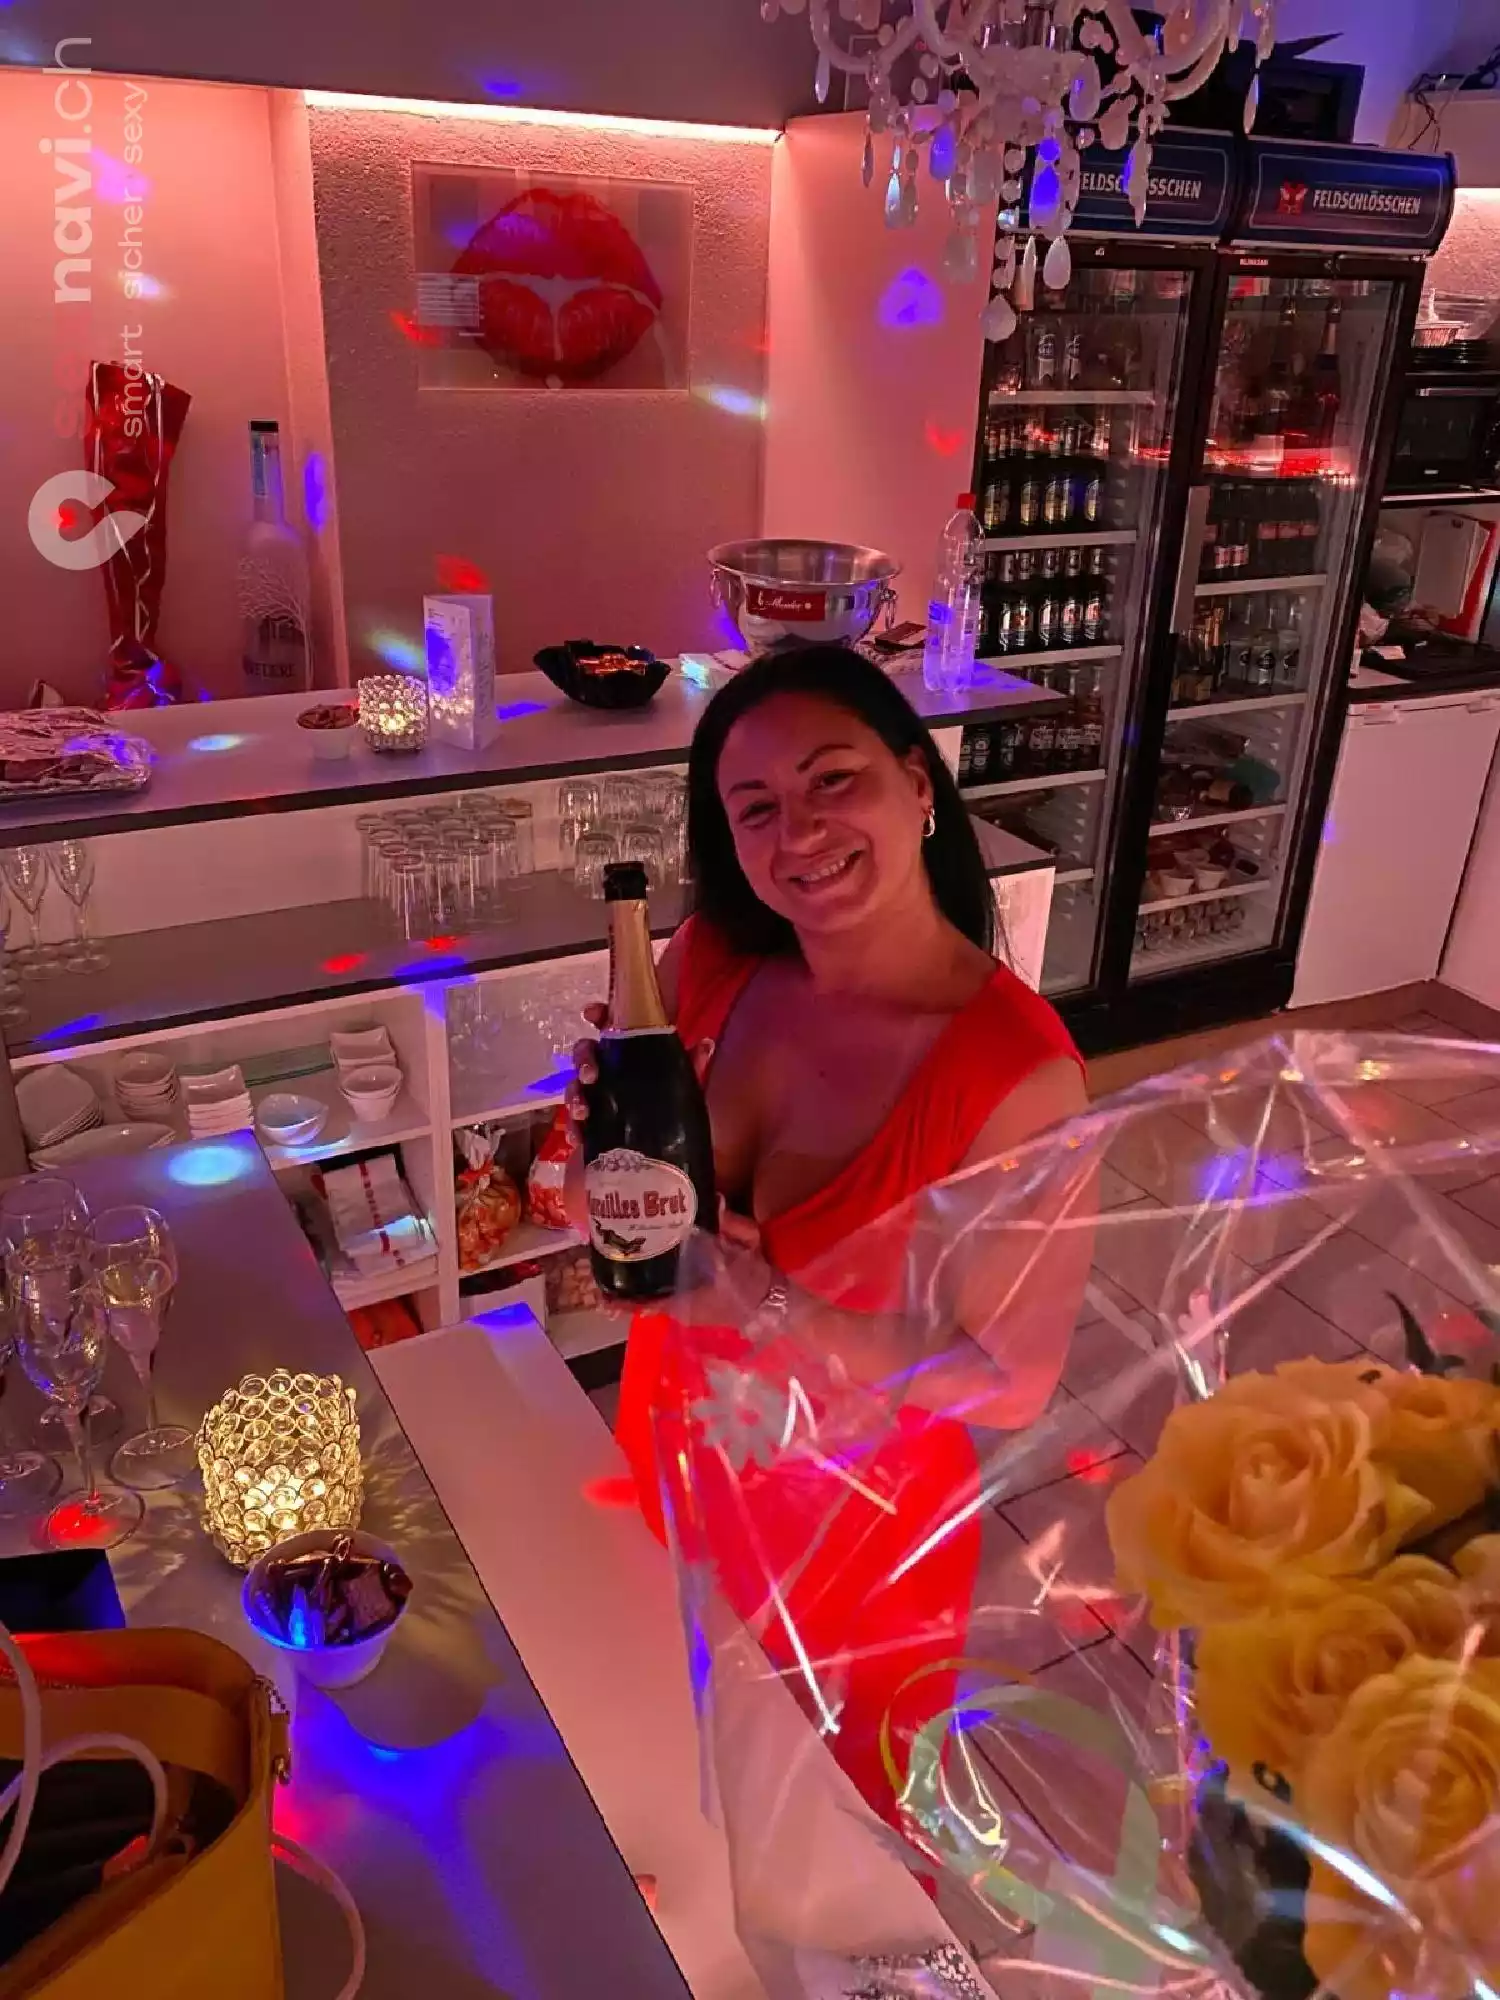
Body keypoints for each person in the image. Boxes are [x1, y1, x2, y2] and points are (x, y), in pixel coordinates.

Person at [568, 642, 1088, 1835]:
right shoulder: (708, 960)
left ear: (918, 782)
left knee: (828, 1849)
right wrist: (594, 1150)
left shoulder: (1015, 1070)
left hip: (852, 1545)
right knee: (660, 1802)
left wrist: (769, 1308)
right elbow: (645, 1200)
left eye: (832, 779)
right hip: (672, 1457)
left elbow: (1011, 1378)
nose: (797, 832)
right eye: (755, 807)